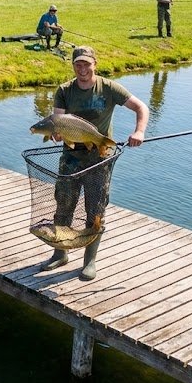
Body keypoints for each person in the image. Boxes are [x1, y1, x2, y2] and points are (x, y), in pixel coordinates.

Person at [40, 46, 148, 280]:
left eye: (86, 64)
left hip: (100, 159)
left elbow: (141, 107)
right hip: (70, 159)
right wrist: (56, 134)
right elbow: (57, 120)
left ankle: (89, 261)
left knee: (95, 211)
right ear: (73, 66)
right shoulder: (64, 90)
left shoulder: (109, 88)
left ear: (95, 64)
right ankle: (60, 253)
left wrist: (139, 131)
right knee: (63, 207)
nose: (82, 69)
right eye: (78, 64)